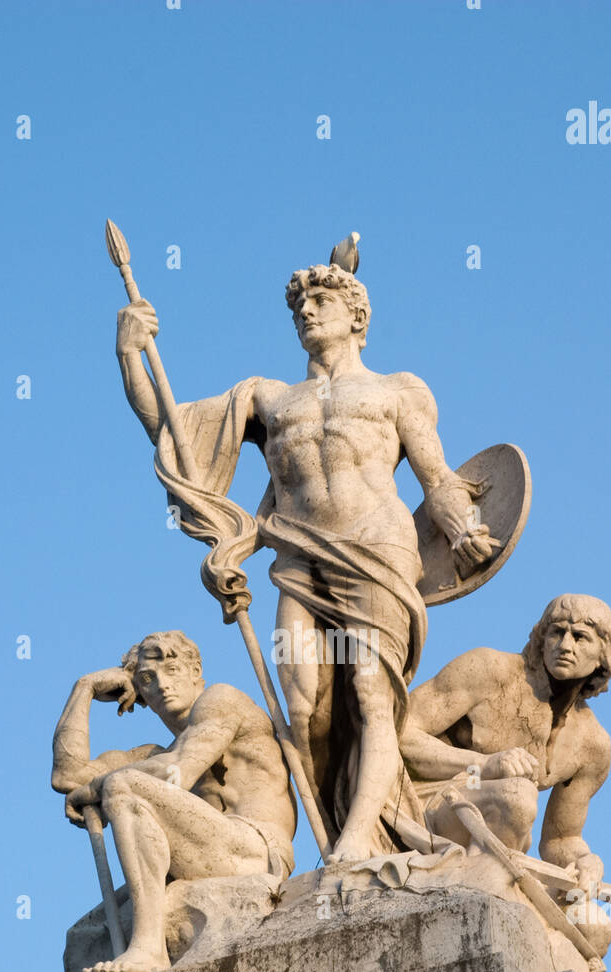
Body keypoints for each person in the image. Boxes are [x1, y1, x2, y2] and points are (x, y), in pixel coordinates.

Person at [115, 255, 497, 862]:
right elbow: (170, 429)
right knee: (301, 705)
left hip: (380, 551)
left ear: (357, 318)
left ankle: (353, 845)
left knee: (373, 693)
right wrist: (131, 352)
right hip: (298, 558)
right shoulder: (269, 399)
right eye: (299, 307)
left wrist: (464, 530)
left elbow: (437, 477)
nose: (307, 312)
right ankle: (348, 826)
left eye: (322, 302)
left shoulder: (396, 390)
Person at [51, 630, 295, 972]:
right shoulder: (154, 754)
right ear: (141, 695)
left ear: (196, 670)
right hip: (209, 853)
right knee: (87, 935)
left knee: (124, 784)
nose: (162, 684)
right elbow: (67, 776)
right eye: (148, 679)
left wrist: (97, 788)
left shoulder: (222, 700)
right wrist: (85, 688)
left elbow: (178, 770)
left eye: (173, 669)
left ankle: (148, 950)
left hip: (256, 848)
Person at [400, 594, 611, 902]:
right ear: (542, 638)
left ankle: (489, 886)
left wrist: (585, 861)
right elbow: (398, 733)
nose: (565, 646)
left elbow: (560, 838)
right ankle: (479, 892)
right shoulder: (487, 670)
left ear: (603, 655)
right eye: (556, 632)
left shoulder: (592, 745)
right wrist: (484, 764)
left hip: (501, 836)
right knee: (518, 796)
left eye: (581, 637)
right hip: (424, 805)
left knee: (595, 928)